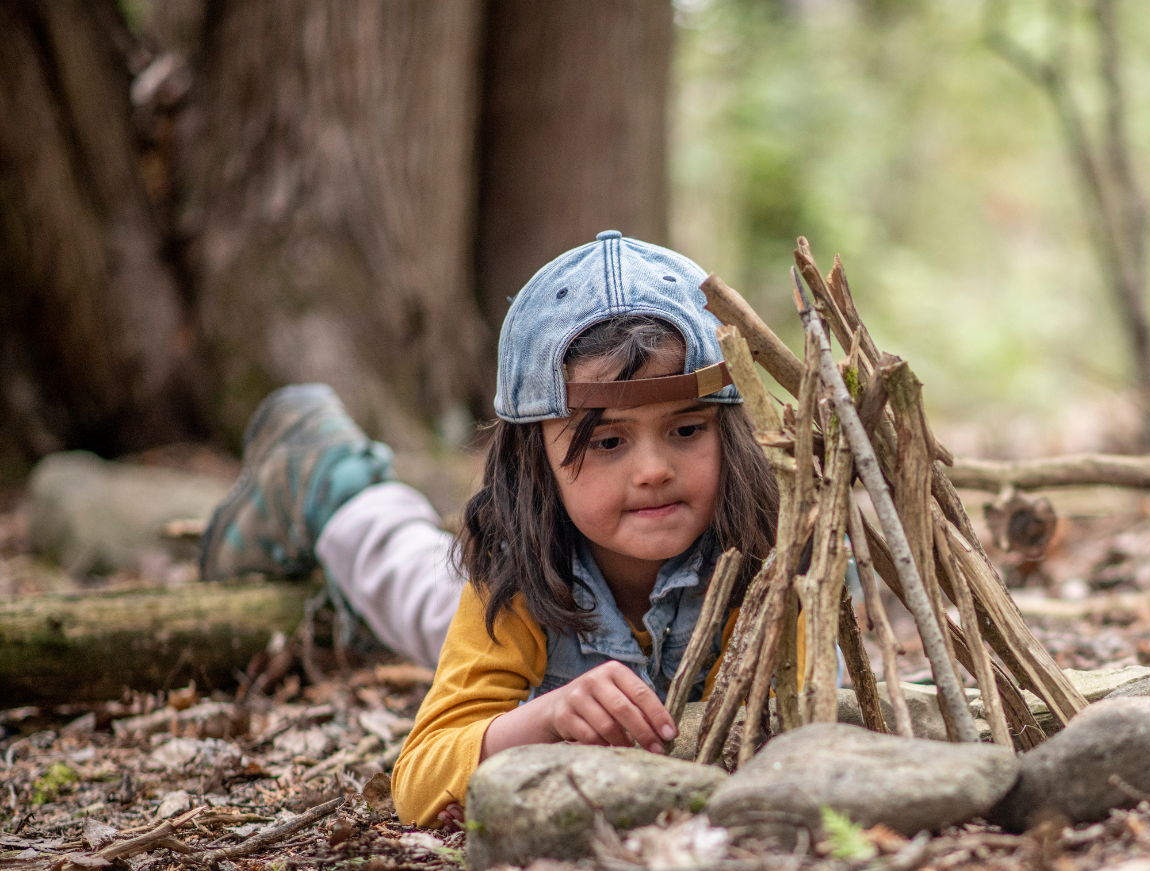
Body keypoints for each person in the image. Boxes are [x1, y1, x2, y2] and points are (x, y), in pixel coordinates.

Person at [200, 231, 778, 827]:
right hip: (531, 587)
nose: (654, 471)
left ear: (729, 433)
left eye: (686, 431)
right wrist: (543, 721)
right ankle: (326, 475)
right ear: (536, 466)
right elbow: (418, 779)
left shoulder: (777, 565)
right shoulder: (510, 578)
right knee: (411, 578)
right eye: (607, 442)